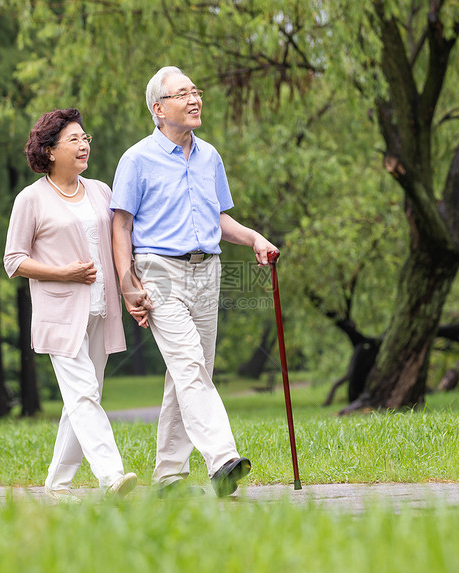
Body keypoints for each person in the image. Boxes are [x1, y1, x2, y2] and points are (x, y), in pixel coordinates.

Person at [111, 66, 278, 497]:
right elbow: (121, 226)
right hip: (159, 271)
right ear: (158, 108)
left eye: (196, 91)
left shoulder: (210, 156)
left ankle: (168, 474)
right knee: (189, 367)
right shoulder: (136, 159)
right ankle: (222, 459)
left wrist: (254, 237)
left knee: (188, 374)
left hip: (208, 270)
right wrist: (128, 283)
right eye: (182, 94)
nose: (194, 99)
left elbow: (218, 218)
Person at [4, 108, 137, 504]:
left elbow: (119, 244)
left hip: (100, 310)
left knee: (83, 397)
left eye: (85, 138)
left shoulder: (100, 191)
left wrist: (132, 288)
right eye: (73, 140)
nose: (83, 146)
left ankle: (57, 484)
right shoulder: (31, 199)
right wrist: (62, 273)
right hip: (60, 313)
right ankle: (111, 476)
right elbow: (13, 260)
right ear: (48, 152)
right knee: (83, 395)